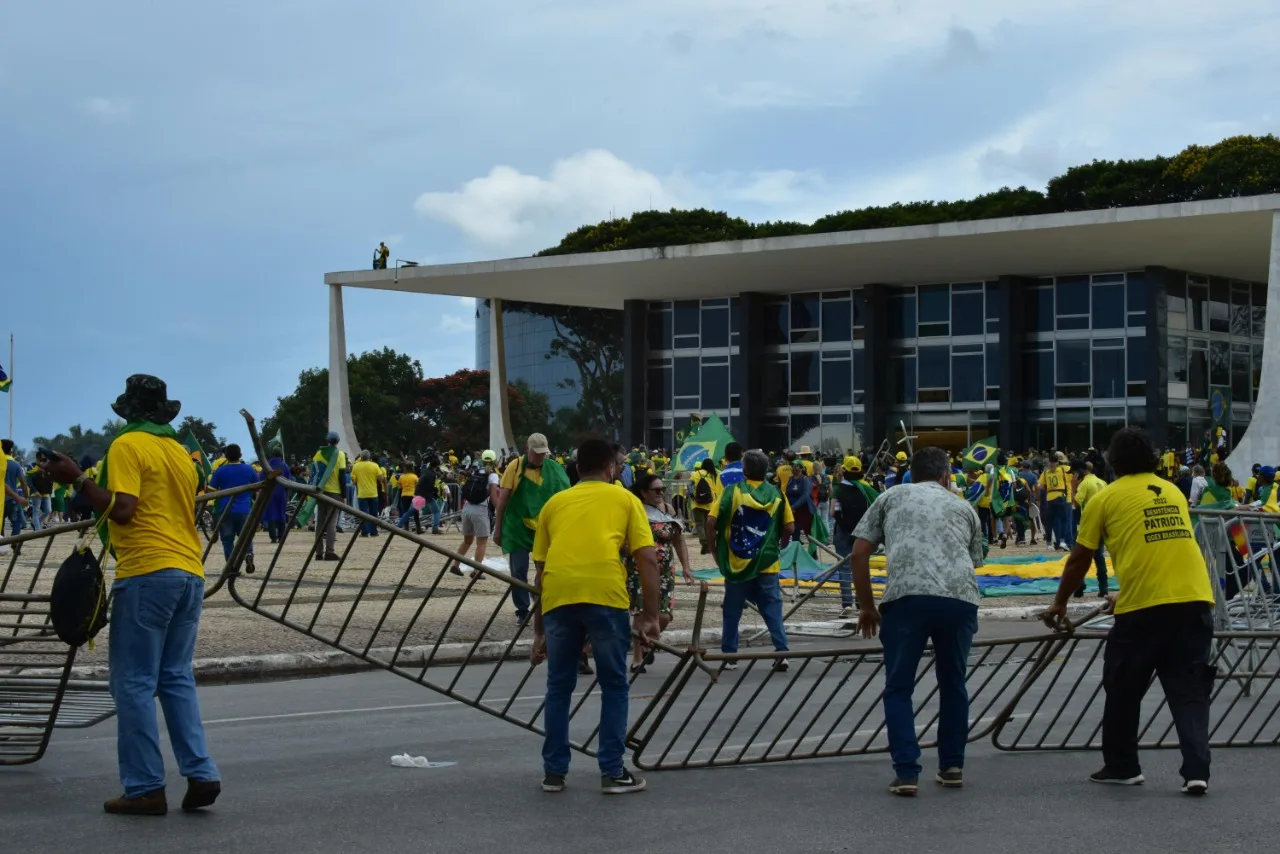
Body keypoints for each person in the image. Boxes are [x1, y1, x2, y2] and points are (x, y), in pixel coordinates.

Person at [39, 375, 220, 815]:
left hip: (148, 571)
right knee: (175, 678)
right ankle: (201, 773)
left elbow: (123, 510)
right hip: (189, 570)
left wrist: (76, 478)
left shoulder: (127, 445)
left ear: (128, 411)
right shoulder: (178, 451)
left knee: (134, 683)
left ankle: (144, 787)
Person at [1044, 428, 1214, 795]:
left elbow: (1079, 558)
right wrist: (1124, 591)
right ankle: (1197, 770)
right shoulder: (1172, 491)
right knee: (1189, 690)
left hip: (1144, 612)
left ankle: (1123, 765)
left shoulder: (1106, 498)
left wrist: (1060, 601)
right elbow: (1160, 547)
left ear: (1113, 462)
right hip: (1195, 599)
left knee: (1122, 685)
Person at [850, 446, 983, 797]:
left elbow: (859, 552)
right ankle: (952, 766)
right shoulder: (964, 506)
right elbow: (974, 562)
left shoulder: (890, 496)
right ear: (946, 475)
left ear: (911, 472)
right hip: (959, 601)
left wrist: (866, 606)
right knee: (954, 683)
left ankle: (907, 772)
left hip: (906, 598)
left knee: (899, 687)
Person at [530, 437, 659, 795]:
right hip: (605, 595)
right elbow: (647, 559)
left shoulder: (554, 504)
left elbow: (540, 571)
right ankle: (612, 771)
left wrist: (538, 630)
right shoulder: (625, 499)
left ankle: (554, 773)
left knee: (559, 686)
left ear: (576, 468)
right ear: (611, 468)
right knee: (614, 684)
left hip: (558, 597)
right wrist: (649, 615)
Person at [706, 449, 793, 672]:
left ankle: (730, 655)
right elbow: (790, 527)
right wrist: (778, 543)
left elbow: (711, 521)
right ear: (767, 470)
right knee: (772, 608)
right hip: (767, 562)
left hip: (738, 562)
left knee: (732, 610)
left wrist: (715, 549)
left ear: (744, 470)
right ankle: (782, 652)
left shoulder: (732, 492)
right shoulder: (777, 494)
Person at [495, 433, 570, 623]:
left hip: (544, 530)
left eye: (543, 453)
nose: (540, 457)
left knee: (545, 571)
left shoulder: (555, 469)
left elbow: (566, 500)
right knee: (518, 571)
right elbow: (503, 500)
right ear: (527, 449)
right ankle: (522, 610)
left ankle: (543, 606)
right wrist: (498, 529)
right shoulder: (515, 467)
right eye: (536, 453)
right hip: (517, 528)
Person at [626, 473, 694, 674]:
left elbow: (679, 541)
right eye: (656, 490)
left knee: (664, 616)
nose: (661, 493)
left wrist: (686, 568)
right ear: (644, 493)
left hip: (665, 571)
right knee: (640, 614)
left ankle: (648, 643)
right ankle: (637, 658)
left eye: (663, 489)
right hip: (639, 569)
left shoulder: (668, 509)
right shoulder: (636, 511)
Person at [832, 456, 878, 618]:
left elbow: (834, 512)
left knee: (844, 567)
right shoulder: (867, 489)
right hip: (862, 533)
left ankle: (846, 604)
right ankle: (861, 602)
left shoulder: (838, 489)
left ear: (844, 470)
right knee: (861, 565)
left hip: (843, 532)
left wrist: (844, 524)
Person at [209, 444, 258, 570]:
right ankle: (248, 553)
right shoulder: (249, 469)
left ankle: (231, 566)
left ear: (225, 456)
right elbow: (258, 486)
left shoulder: (220, 471)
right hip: (244, 509)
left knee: (227, 539)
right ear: (240, 455)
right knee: (245, 536)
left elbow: (211, 490)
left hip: (225, 509)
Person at [454, 450, 501, 575]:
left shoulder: (475, 472)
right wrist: (499, 510)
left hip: (467, 508)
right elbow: (493, 496)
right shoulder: (492, 476)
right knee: (481, 541)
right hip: (480, 509)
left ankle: (455, 565)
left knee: (467, 540)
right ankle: (476, 570)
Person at [1071, 461, 1109, 598]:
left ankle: (1079, 585)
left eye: (1075, 473)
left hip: (1087, 526)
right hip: (1101, 524)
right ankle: (1103, 587)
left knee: (1078, 556)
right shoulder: (1102, 482)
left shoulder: (1085, 484)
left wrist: (1073, 487)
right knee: (1099, 557)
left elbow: (1076, 501)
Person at [311, 431, 348, 561]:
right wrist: (344, 495)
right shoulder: (341, 455)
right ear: (337, 442)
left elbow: (314, 472)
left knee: (320, 523)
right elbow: (342, 476)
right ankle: (330, 551)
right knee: (331, 523)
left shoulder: (319, 454)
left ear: (327, 441)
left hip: (320, 492)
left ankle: (318, 552)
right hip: (335, 492)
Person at [1041, 452, 1073, 551]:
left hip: (1049, 498)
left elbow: (1041, 486)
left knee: (1052, 522)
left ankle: (1052, 543)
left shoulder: (1046, 471)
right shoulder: (1066, 469)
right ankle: (1065, 542)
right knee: (1066, 520)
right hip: (1063, 496)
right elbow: (1075, 480)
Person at [689, 459, 721, 555]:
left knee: (699, 524)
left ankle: (704, 543)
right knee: (709, 525)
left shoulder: (695, 474)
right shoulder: (714, 475)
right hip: (711, 504)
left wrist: (692, 496)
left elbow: (689, 486)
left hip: (697, 503)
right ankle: (711, 545)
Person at [350, 451, 383, 537]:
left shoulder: (356, 466)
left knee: (363, 514)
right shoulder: (375, 465)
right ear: (369, 457)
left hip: (362, 493)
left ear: (361, 457)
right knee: (374, 513)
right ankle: (374, 532)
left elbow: (354, 481)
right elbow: (381, 478)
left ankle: (364, 532)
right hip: (373, 493)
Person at [262, 444, 291, 543]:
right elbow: (289, 481)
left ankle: (273, 537)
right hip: (281, 492)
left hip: (269, 493)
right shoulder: (285, 466)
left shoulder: (267, 465)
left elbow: (261, 478)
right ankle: (281, 536)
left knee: (271, 514)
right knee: (281, 513)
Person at [784, 459, 814, 547]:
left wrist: (794, 506)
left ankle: (813, 555)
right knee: (794, 534)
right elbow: (787, 493)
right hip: (793, 512)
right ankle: (795, 557)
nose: (793, 469)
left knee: (809, 534)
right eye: (792, 467)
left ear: (801, 469)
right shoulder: (790, 479)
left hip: (805, 511)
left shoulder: (806, 480)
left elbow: (806, 495)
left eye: (796, 467)